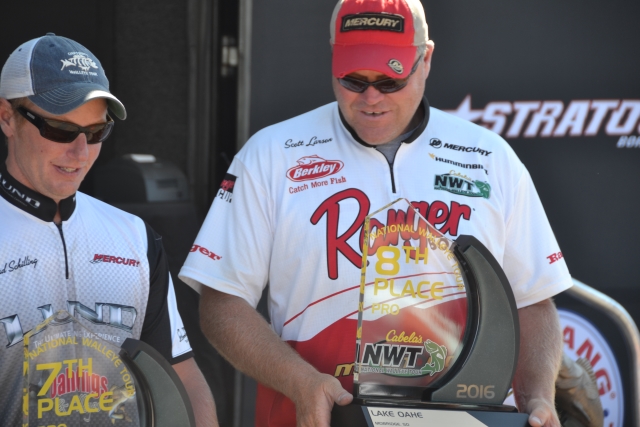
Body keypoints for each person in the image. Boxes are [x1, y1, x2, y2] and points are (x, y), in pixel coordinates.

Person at [180, 0, 573, 426]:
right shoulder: (272, 154)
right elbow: (222, 302)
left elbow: (532, 300)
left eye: (390, 80)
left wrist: (537, 396)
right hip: (317, 416)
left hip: (458, 417)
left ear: (426, 60)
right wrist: (300, 381)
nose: (371, 98)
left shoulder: (490, 157)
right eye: (353, 80)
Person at [0, 34, 217, 426]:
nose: (81, 152)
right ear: (6, 117)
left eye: (96, 132)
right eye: (60, 129)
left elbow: (181, 377)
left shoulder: (135, 238)